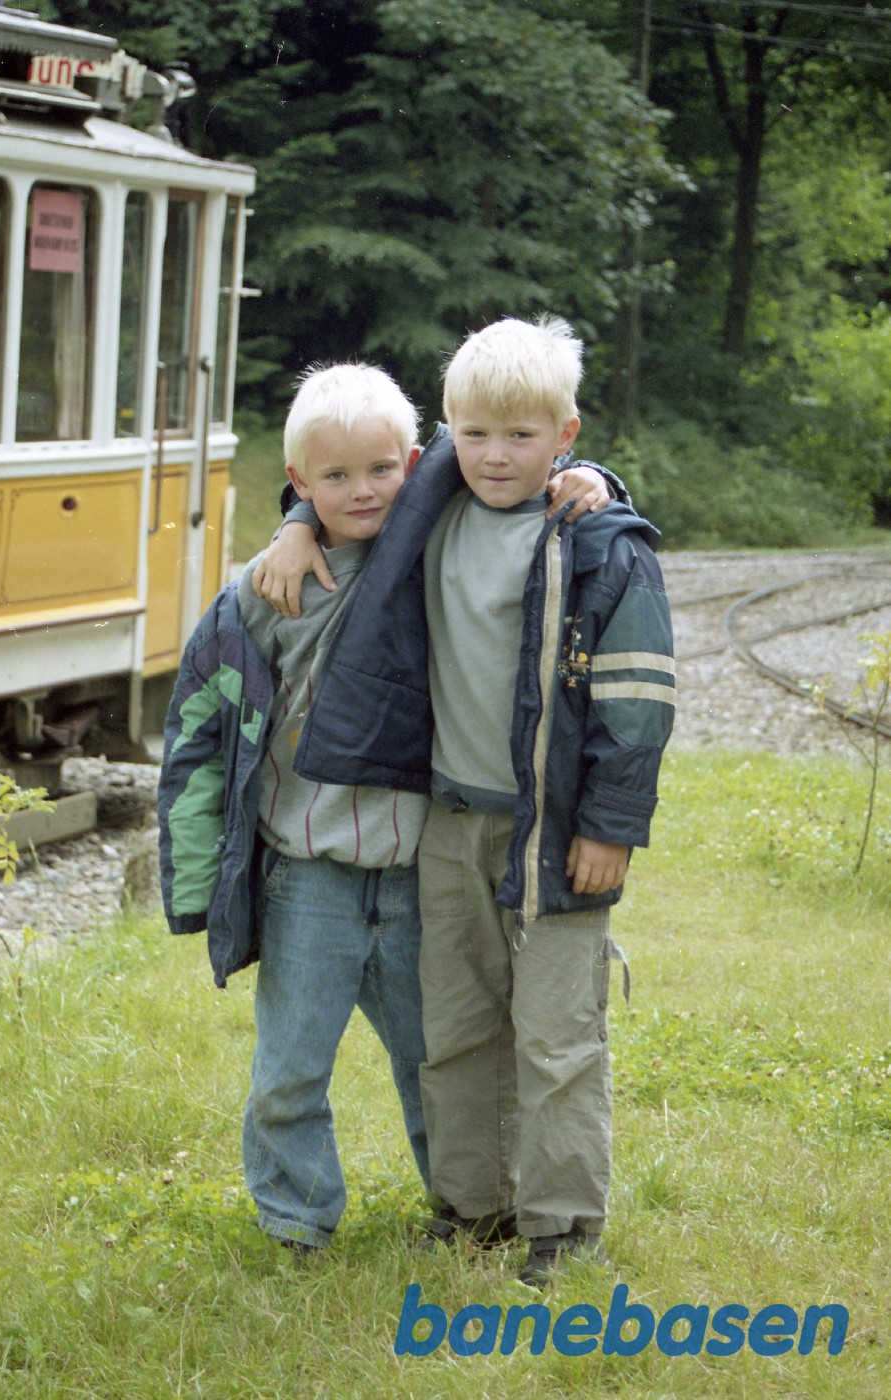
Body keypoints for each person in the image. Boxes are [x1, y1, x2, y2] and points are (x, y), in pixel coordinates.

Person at [252, 317, 675, 1285]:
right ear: (444, 434)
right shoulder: (426, 504)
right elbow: (338, 470)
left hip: (556, 831)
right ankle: (473, 1205)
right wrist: (293, 521)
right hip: (449, 820)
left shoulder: (600, 542)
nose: (494, 454)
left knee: (557, 1033)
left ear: (565, 434)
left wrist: (612, 825)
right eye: (473, 433)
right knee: (457, 1025)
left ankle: (561, 1223)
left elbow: (639, 703)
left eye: (522, 436)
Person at [158, 363, 433, 1252]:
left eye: (382, 470)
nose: (363, 491)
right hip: (307, 871)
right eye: (335, 477)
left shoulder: (444, 550)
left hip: (420, 873)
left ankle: (470, 1206)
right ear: (300, 485)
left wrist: (593, 482)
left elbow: (521, 466)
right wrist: (195, 880)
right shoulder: (267, 589)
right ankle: (295, 1219)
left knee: (443, 1063)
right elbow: (199, 729)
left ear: (416, 463)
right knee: (289, 1069)